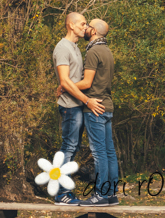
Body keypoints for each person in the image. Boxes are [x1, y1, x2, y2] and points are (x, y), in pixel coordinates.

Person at [51, 12, 105, 206]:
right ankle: (61, 194)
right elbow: (65, 80)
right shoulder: (62, 47)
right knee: (68, 147)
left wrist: (68, 88)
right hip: (69, 107)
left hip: (77, 106)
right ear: (71, 25)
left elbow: (71, 81)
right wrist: (87, 100)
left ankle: (65, 192)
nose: (85, 27)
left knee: (72, 148)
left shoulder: (74, 47)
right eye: (82, 24)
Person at [79, 18, 119, 207]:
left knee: (99, 153)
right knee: (109, 152)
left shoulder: (94, 51)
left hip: (95, 107)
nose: (86, 28)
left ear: (94, 31)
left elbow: (87, 83)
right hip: (107, 106)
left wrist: (66, 85)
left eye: (88, 26)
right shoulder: (107, 51)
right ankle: (111, 194)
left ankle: (100, 195)